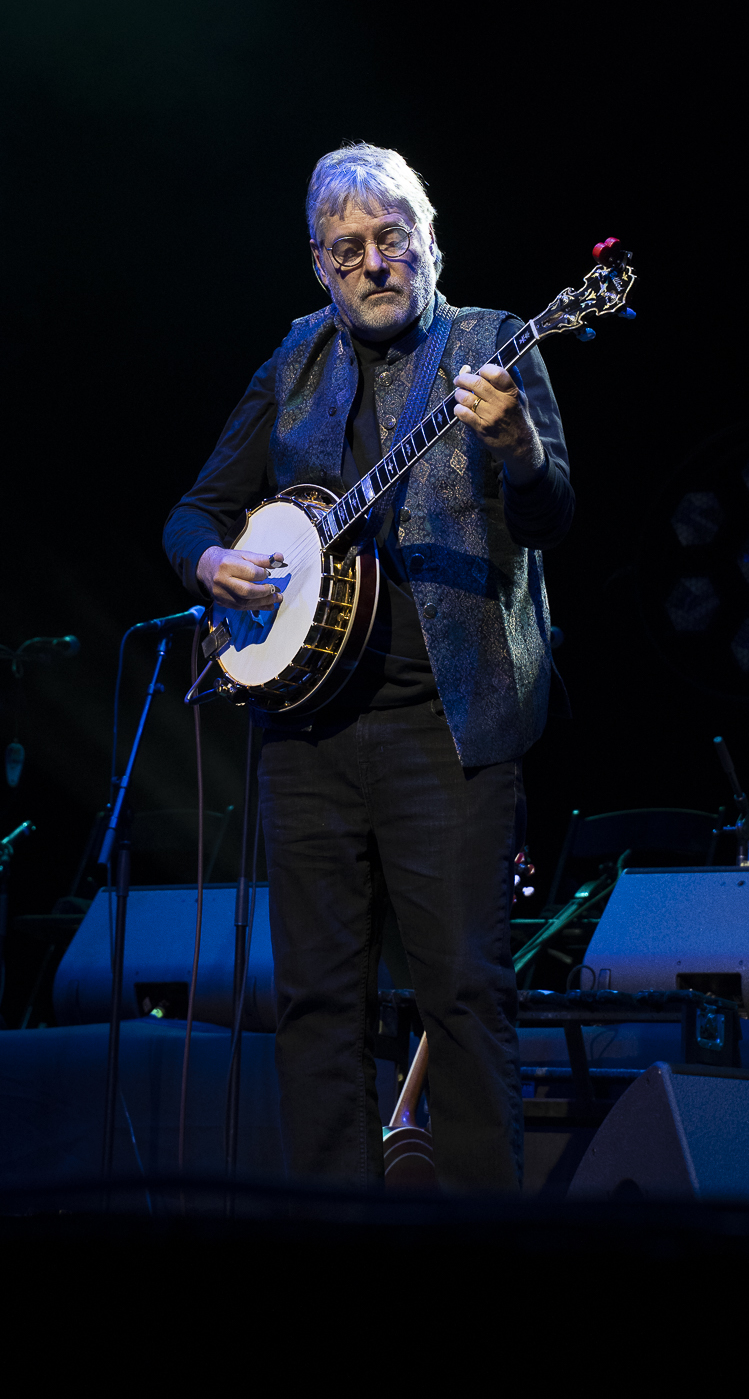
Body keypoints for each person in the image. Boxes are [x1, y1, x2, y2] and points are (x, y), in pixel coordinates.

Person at [163, 142, 573, 1187]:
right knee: (313, 1002)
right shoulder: (295, 357)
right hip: (305, 732)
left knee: (463, 992)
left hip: (448, 724)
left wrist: (521, 450)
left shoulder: (492, 343)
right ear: (320, 266)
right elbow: (195, 511)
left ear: (430, 241)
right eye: (347, 250)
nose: (374, 263)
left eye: (392, 238)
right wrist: (210, 564)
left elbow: (549, 514)